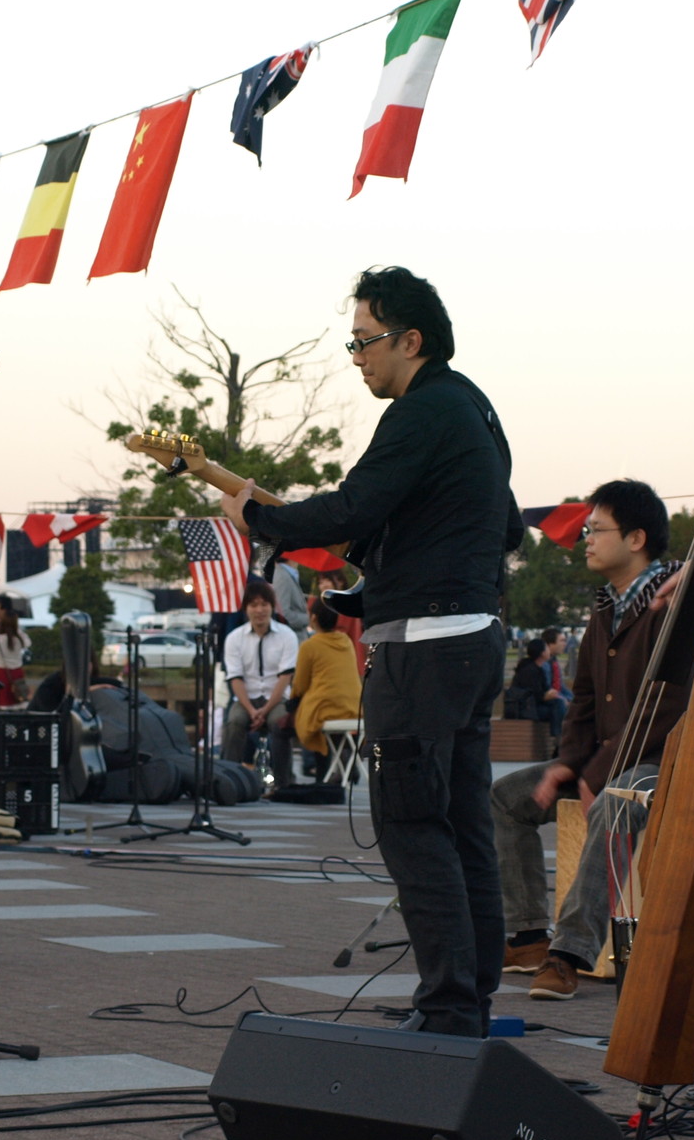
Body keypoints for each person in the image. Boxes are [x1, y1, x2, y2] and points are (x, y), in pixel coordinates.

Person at [219, 265, 523, 1038]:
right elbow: (505, 527)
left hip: (423, 650)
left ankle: (449, 1010)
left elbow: (352, 507)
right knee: (462, 826)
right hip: (472, 640)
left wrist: (257, 516)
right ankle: (471, 999)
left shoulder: (420, 412)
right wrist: (388, 570)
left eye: (364, 341)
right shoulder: (474, 408)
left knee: (412, 827)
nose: (355, 357)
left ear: (409, 340)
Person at [492, 479, 686, 1001]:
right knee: (506, 798)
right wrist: (568, 763)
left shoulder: (674, 602)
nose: (587, 540)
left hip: (661, 760)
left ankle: (568, 954)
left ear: (636, 539)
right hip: (606, 758)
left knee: (614, 803)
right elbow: (583, 699)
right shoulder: (605, 605)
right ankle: (528, 937)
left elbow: (664, 704)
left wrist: (596, 773)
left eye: (597, 530)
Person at [221, 578, 298, 787]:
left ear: (272, 607)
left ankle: (283, 782)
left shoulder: (287, 635)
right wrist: (251, 709)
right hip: (246, 698)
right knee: (234, 721)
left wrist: (265, 710)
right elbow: (235, 678)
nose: (259, 610)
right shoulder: (234, 638)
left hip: (277, 698)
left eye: (264, 604)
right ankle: (229, 780)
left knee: (279, 722)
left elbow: (285, 677)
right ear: (246, 609)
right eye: (253, 605)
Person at [289, 596, 363, 778]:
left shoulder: (309, 645)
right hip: (354, 707)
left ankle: (320, 774)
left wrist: (292, 702)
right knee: (328, 709)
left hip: (326, 709)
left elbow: (300, 684)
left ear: (313, 617)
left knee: (304, 716)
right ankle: (344, 763)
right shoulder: (345, 641)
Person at [505, 638, 551, 723]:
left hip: (531, 706)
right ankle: (557, 731)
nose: (549, 651)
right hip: (524, 708)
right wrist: (546, 695)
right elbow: (535, 693)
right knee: (557, 707)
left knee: (559, 704)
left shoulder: (538, 669)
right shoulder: (529, 670)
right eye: (547, 648)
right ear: (542, 653)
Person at [539, 627, 569, 738]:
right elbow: (547, 689)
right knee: (560, 704)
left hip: (555, 698)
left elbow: (560, 686)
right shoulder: (542, 663)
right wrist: (563, 698)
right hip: (544, 702)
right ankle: (558, 739)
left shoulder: (554, 661)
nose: (565, 644)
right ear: (550, 644)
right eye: (562, 641)